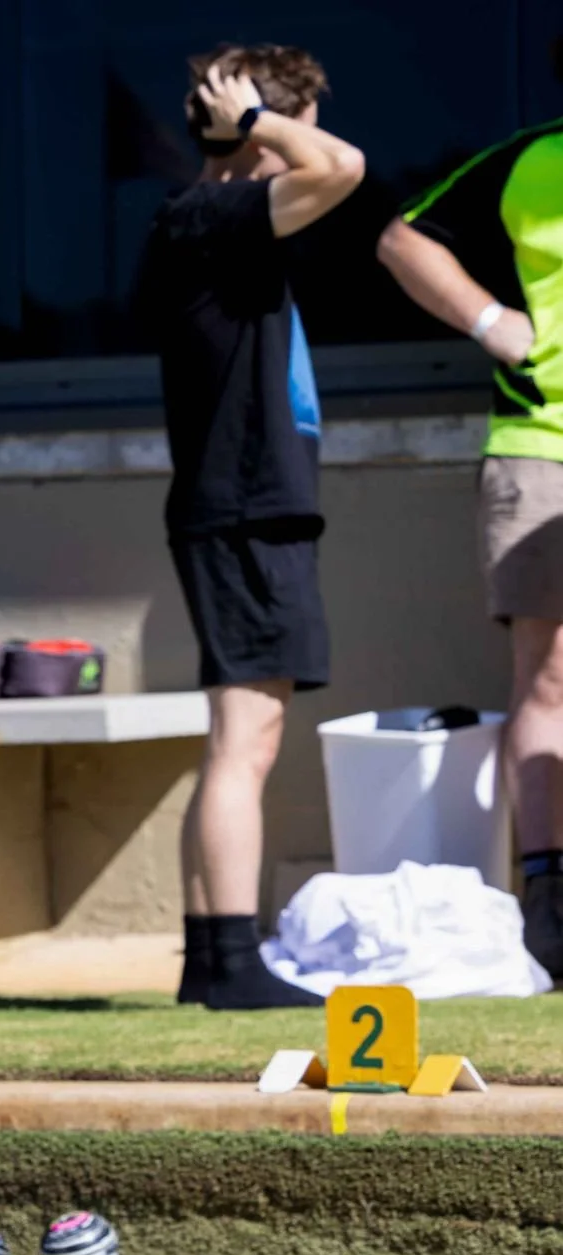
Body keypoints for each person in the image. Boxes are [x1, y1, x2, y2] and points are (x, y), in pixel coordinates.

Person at [138, 45, 366, 1008]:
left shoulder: (215, 225)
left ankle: (211, 959)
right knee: (248, 737)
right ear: (242, 130)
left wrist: (259, 126)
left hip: (244, 507)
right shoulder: (207, 217)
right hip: (242, 510)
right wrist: (256, 123)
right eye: (289, 125)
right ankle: (231, 963)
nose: (299, 145)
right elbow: (342, 169)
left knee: (237, 736)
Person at [375, 125, 563, 983]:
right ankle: (550, 900)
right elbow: (401, 237)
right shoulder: (531, 158)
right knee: (550, 675)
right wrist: (492, 321)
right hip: (543, 446)